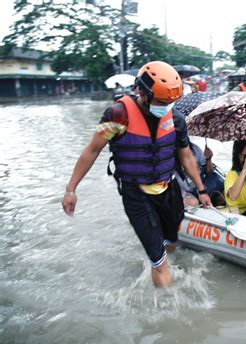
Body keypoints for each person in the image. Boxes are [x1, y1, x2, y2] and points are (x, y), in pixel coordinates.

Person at [61, 61, 211, 288]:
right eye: (162, 101)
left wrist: (202, 190)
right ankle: (167, 309)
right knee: (160, 263)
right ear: (142, 92)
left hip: (168, 192)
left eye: (171, 102)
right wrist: (70, 189)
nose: (167, 106)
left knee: (171, 242)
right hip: (136, 195)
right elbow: (92, 150)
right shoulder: (118, 115)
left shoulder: (176, 118)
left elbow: (186, 157)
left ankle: (160, 257)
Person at [175, 142, 225, 207]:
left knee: (224, 191)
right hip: (183, 189)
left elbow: (209, 172)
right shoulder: (166, 156)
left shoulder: (194, 149)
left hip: (202, 184)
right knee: (193, 203)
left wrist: (208, 159)